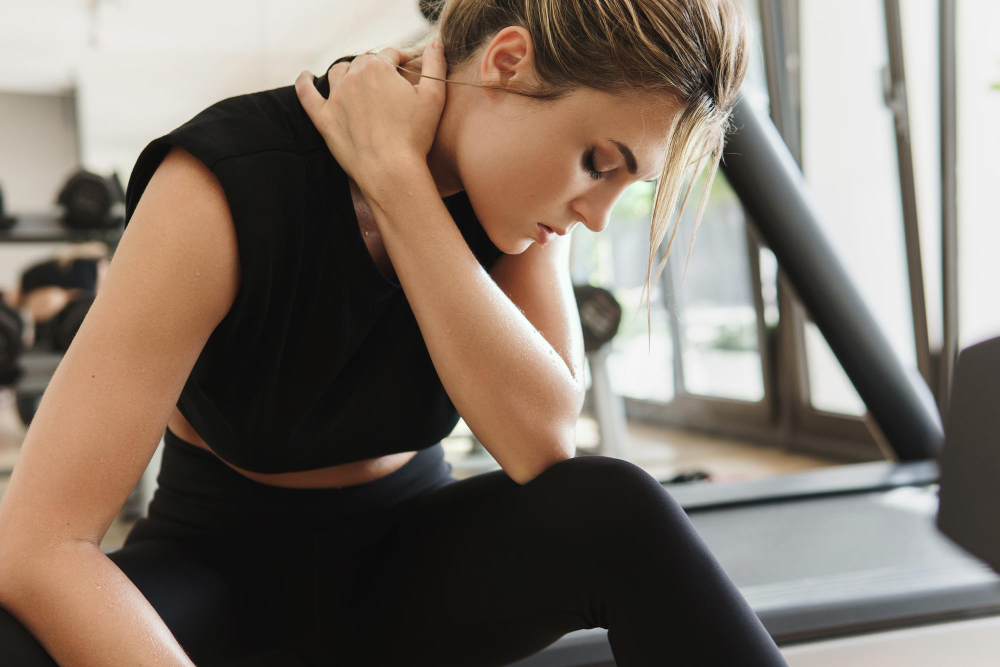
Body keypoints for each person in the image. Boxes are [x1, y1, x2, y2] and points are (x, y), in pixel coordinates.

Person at [0, 0, 788, 665]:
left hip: (414, 575)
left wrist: (398, 182)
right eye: (598, 162)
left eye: (625, 183)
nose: (595, 212)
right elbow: (38, 547)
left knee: (622, 506)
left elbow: (542, 439)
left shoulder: (521, 213)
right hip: (220, 579)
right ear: (509, 62)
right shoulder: (225, 183)